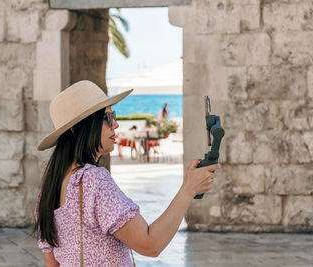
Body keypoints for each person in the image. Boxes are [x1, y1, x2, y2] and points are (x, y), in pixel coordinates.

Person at [32, 80, 220, 266]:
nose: (115, 125)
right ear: (78, 128)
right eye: (108, 118)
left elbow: (52, 264)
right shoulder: (93, 180)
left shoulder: (48, 192)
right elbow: (150, 244)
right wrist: (188, 190)